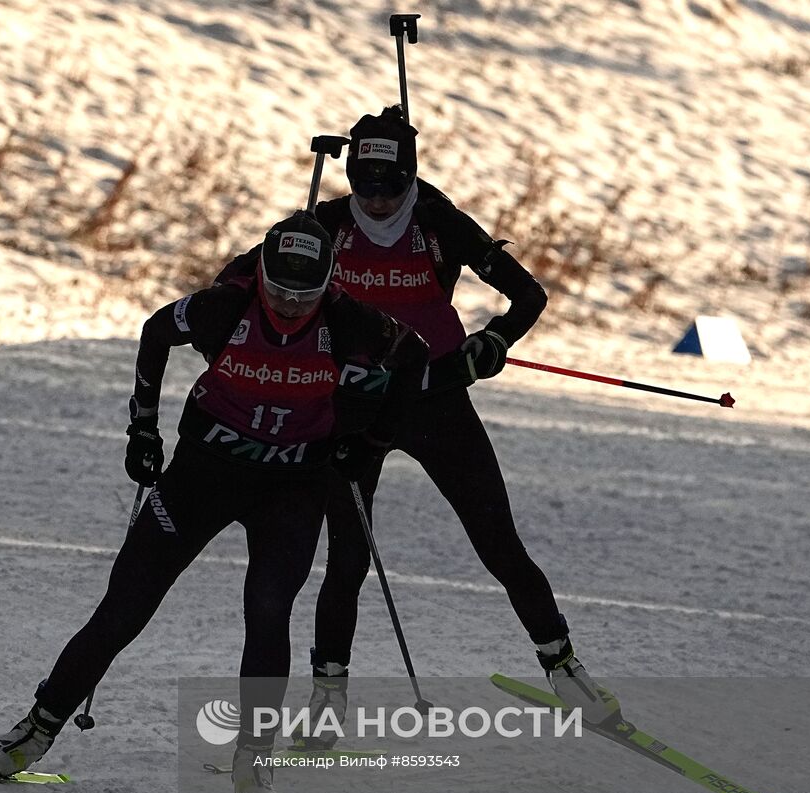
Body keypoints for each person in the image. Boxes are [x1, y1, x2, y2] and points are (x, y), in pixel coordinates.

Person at [0, 211, 430, 793]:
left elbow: (416, 360)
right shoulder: (225, 306)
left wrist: (367, 442)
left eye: (305, 295)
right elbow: (155, 331)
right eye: (280, 290)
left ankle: (254, 760)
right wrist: (142, 429)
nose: (290, 306)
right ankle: (36, 729)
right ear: (261, 273)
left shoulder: (351, 320)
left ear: (329, 285)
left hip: (292, 487)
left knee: (269, 611)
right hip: (202, 475)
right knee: (124, 605)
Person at [214, 108, 618, 741]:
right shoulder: (327, 225)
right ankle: (328, 700)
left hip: (434, 397)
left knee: (497, 541)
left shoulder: (437, 222)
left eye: (389, 185)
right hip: (352, 408)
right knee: (347, 556)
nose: (375, 200)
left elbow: (529, 295)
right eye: (364, 183)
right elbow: (235, 282)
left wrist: (494, 340)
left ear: (411, 176)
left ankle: (565, 669)